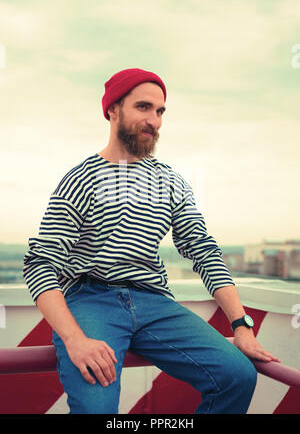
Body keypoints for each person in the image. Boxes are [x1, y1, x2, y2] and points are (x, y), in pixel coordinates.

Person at [23, 68, 279, 414]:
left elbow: (203, 249)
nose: (154, 120)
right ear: (113, 110)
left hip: (153, 301)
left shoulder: (169, 180)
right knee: (96, 409)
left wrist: (240, 324)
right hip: (90, 299)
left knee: (237, 375)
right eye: (143, 107)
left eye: (160, 112)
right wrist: (75, 339)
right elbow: (41, 264)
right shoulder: (81, 179)